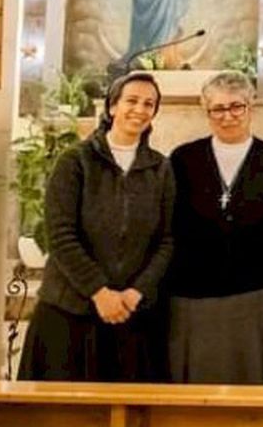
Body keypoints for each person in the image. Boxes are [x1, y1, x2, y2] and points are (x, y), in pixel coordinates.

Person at [20, 72, 175, 381]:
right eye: (132, 101)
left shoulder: (161, 168)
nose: (140, 110)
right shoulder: (75, 161)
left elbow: (167, 240)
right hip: (69, 311)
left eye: (150, 104)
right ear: (112, 107)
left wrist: (135, 293)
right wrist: (99, 292)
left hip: (132, 316)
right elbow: (61, 235)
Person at [166, 72, 263, 383]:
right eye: (218, 109)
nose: (228, 116)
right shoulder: (183, 158)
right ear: (206, 112)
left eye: (237, 107)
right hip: (193, 292)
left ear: (251, 107)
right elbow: (169, 226)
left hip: (255, 290)